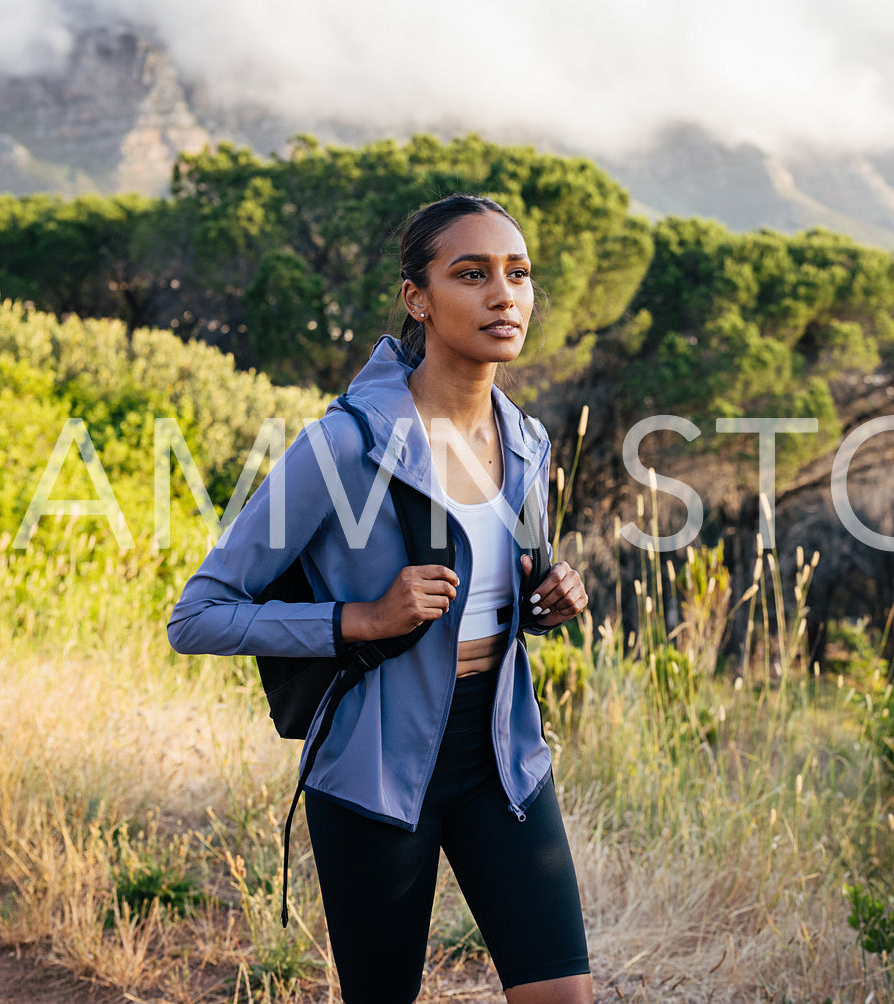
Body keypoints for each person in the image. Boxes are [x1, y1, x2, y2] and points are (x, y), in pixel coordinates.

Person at [168, 194, 593, 1004]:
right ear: (417, 299)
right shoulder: (343, 444)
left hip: (503, 758)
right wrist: (359, 619)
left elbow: (503, 589)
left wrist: (548, 595)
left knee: (563, 997)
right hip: (373, 771)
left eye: (518, 274)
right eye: (470, 275)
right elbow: (198, 615)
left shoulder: (526, 442)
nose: (503, 295)